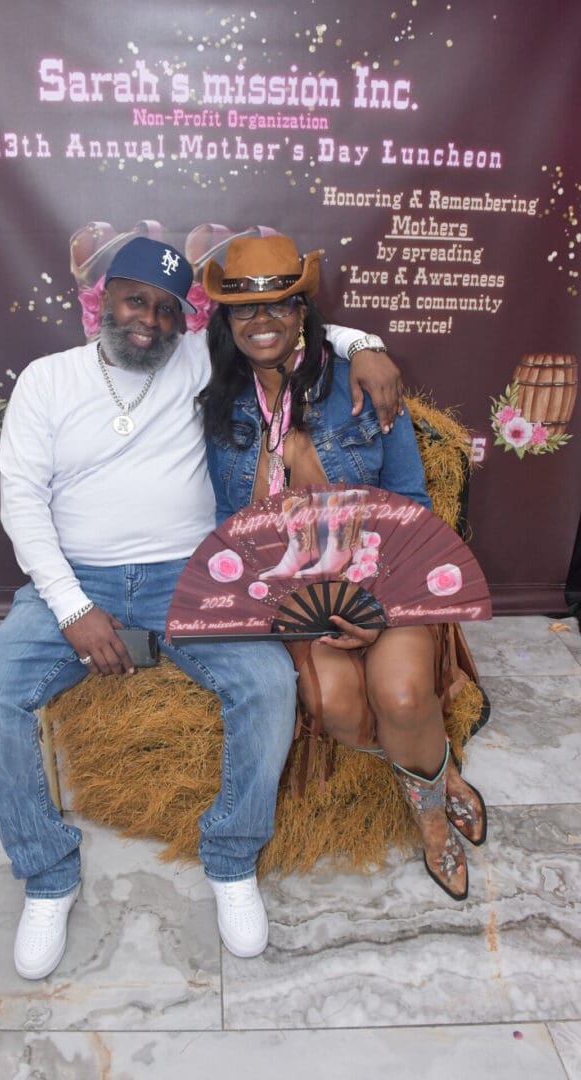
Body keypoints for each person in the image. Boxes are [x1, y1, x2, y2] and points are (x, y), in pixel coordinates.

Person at [0, 234, 406, 976]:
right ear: (105, 299)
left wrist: (370, 345)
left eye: (170, 311)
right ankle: (47, 873)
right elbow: (22, 504)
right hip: (76, 578)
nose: (153, 323)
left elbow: (287, 327)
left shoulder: (202, 355)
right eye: (139, 301)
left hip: (189, 576)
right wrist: (72, 608)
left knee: (265, 683)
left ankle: (231, 859)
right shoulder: (47, 379)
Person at [200, 233, 487, 902]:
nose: (262, 321)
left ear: (303, 311)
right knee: (334, 705)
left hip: (382, 583)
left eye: (280, 304)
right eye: (245, 310)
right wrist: (275, 467)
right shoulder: (220, 405)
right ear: (226, 322)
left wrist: (375, 604)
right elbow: (233, 534)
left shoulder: (359, 387)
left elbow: (412, 507)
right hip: (295, 598)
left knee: (405, 697)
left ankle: (433, 825)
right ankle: (437, 768)